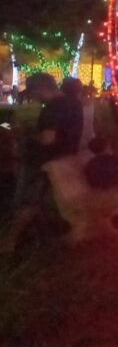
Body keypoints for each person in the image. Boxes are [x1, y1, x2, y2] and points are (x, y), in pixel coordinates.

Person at [0, 73, 83, 253]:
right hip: (66, 159)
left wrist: (24, 133)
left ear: (40, 89)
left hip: (42, 162)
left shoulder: (51, 108)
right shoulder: (74, 103)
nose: (32, 97)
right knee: (40, 200)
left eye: (32, 92)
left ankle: (8, 242)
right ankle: (37, 235)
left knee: (25, 200)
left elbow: (47, 139)